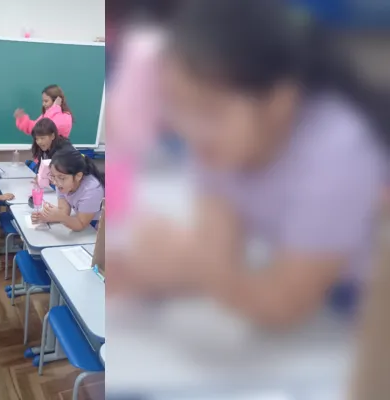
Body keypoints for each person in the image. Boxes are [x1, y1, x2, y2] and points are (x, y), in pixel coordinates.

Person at [117, 0, 387, 326]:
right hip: (312, 291)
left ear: (279, 101)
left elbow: (284, 304)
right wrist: (148, 271)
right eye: (177, 103)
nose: (190, 129)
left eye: (209, 109)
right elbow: (219, 257)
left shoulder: (339, 150)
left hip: (361, 306)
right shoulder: (216, 146)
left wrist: (188, 267)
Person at [32, 148, 105, 231]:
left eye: (61, 177)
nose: (55, 182)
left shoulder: (91, 190)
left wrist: (61, 217)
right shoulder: (61, 182)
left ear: (78, 176)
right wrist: (48, 216)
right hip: (82, 219)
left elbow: (80, 225)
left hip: (99, 225)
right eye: (53, 176)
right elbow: (64, 211)